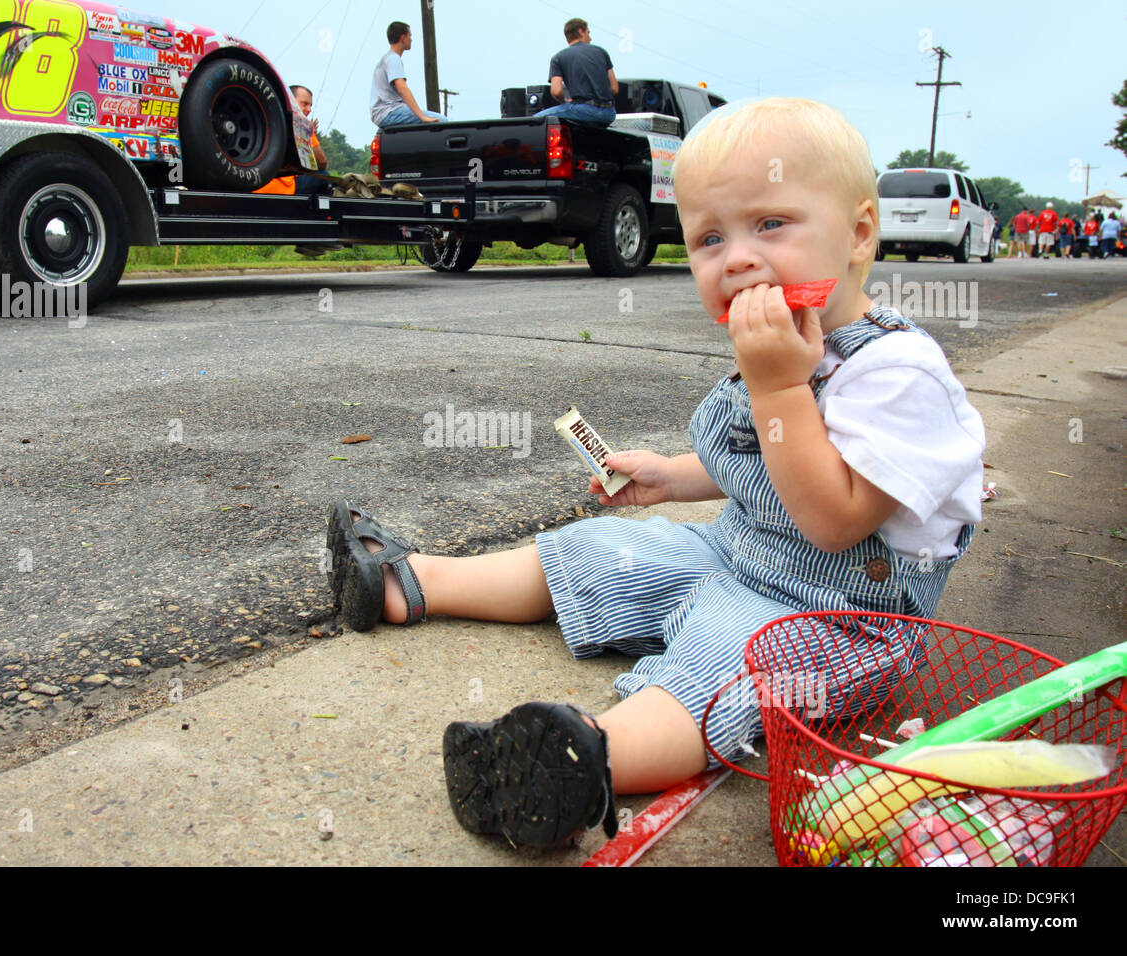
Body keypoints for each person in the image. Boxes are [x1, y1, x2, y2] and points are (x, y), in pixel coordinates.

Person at [324, 98, 986, 848]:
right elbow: (754, 461)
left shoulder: (900, 374)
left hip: (836, 618)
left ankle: (584, 760)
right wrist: (672, 476)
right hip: (735, 552)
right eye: (709, 237)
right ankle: (410, 584)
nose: (736, 257)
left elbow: (833, 518)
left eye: (770, 224)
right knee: (599, 551)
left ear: (860, 231)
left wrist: (776, 387)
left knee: (728, 660)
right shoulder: (784, 340)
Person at [533, 17, 619, 127]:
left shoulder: (558, 58)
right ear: (580, 31)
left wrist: (565, 101)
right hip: (609, 113)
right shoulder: (601, 52)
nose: (590, 38)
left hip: (583, 110)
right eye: (588, 33)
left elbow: (556, 91)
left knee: (534, 120)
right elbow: (615, 88)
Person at [256, 85, 331, 197]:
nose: (309, 110)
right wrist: (310, 134)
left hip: (256, 185)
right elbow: (322, 162)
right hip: (283, 188)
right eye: (305, 104)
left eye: (311, 105)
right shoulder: (299, 123)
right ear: (291, 101)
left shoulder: (263, 118)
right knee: (325, 177)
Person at [370, 21, 446, 128]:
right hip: (388, 112)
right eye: (410, 35)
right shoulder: (393, 59)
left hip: (383, 112)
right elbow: (402, 88)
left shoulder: (387, 59)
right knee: (441, 120)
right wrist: (422, 117)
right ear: (403, 38)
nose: (411, 39)